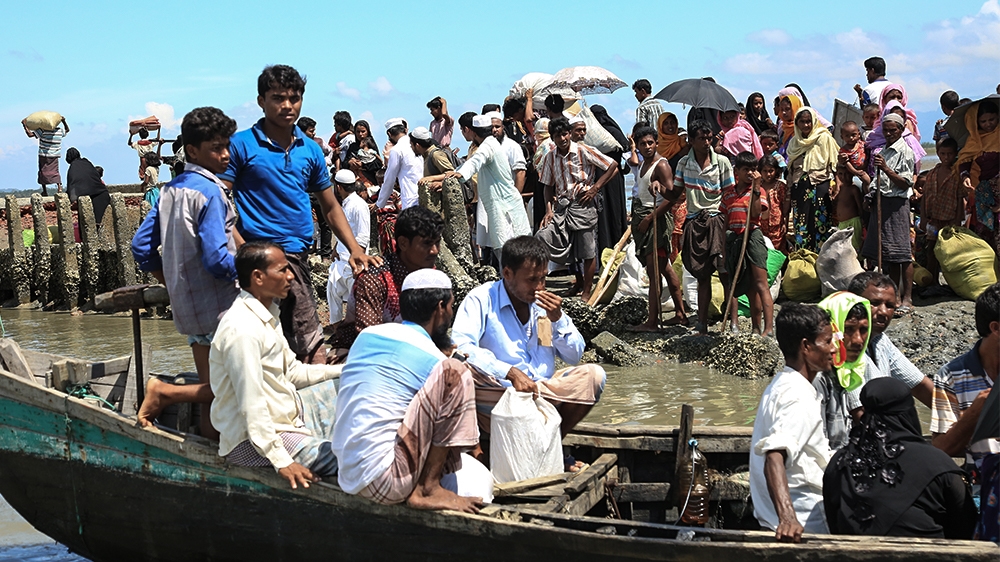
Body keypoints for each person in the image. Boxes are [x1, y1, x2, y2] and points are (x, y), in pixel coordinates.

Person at [219, 65, 378, 365]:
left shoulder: (310, 150)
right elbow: (218, 200)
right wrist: (242, 248)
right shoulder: (241, 145)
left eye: (294, 98)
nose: (287, 105)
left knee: (309, 348)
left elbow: (330, 207)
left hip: (296, 258)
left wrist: (355, 249)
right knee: (255, 348)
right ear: (261, 101)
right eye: (278, 98)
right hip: (255, 261)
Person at [333, 268, 485, 512]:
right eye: (451, 306)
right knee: (457, 373)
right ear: (440, 307)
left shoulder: (367, 335)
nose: (450, 313)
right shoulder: (435, 360)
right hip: (386, 480)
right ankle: (428, 489)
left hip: (347, 472)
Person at [131, 106, 241, 438]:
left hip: (188, 309)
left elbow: (141, 246)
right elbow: (217, 259)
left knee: (212, 390)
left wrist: (171, 282)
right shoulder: (211, 192)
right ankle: (165, 392)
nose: (225, 155)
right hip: (223, 306)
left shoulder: (169, 190)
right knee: (236, 386)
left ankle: (209, 447)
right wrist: (249, 269)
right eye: (216, 148)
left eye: (227, 146)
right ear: (192, 151)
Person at [452, 237, 606, 452]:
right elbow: (461, 347)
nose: (540, 287)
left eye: (543, 278)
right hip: (501, 392)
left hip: (542, 391)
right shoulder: (481, 299)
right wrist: (509, 372)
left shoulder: (544, 307)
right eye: (532, 280)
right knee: (459, 367)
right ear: (507, 273)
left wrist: (558, 319)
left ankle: (550, 448)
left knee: (594, 376)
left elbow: (574, 356)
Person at [210, 242, 342, 488]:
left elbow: (293, 372)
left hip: (284, 416)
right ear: (258, 277)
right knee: (355, 460)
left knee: (345, 384)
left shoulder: (267, 313)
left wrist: (345, 371)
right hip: (253, 440)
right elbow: (251, 404)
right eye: (282, 270)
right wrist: (281, 461)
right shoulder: (242, 330)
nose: (290, 276)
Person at [824, 378, 978, 538]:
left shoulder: (840, 461)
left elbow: (833, 520)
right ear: (908, 411)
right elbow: (966, 524)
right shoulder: (937, 463)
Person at [750, 303, 836, 541]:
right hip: (806, 521)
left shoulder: (782, 383)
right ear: (806, 346)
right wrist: (787, 517)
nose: (833, 348)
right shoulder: (796, 396)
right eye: (827, 341)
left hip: (773, 517)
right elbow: (774, 457)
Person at [329, 206, 442, 354]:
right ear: (403, 243)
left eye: (437, 242)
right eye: (426, 243)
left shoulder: (431, 277)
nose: (435, 251)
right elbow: (371, 340)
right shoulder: (374, 279)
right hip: (360, 353)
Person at [535, 117, 618, 301]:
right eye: (558, 136)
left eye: (564, 134)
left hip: (583, 205)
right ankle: (569, 283)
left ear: (569, 134)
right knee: (543, 237)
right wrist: (548, 210)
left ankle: (586, 291)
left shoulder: (583, 150)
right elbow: (547, 186)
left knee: (587, 250)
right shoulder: (550, 156)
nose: (562, 139)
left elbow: (612, 165)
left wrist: (595, 189)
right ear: (552, 138)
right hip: (562, 207)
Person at [445, 115, 531, 266]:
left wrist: (461, 174)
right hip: (504, 203)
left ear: (473, 132)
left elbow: (475, 161)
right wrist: (446, 177)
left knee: (507, 250)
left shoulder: (487, 146)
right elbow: (466, 165)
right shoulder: (491, 143)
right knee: (512, 249)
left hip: (502, 205)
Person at [675, 119, 734, 334]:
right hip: (694, 221)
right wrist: (658, 187)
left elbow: (729, 194)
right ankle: (701, 322)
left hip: (717, 220)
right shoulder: (683, 164)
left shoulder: (722, 163)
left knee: (725, 271)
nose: (707, 142)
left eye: (709, 138)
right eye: (701, 138)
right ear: (691, 140)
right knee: (702, 274)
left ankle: (733, 321)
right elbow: (675, 192)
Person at [931, 283, 1000, 463]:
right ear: (995, 328)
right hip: (982, 477)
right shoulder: (951, 376)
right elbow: (941, 449)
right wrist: (975, 413)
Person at [628, 126, 687, 331]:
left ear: (656, 143)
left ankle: (652, 322)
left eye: (650, 143)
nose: (647, 147)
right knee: (664, 268)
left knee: (654, 273)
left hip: (656, 221)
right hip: (643, 216)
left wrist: (650, 218)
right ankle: (680, 314)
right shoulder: (643, 164)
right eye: (643, 144)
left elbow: (672, 197)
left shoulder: (661, 165)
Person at [848, 272, 935, 407]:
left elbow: (920, 386)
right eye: (874, 303)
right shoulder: (844, 346)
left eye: (889, 306)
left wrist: (961, 414)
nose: (883, 311)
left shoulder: (880, 340)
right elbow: (858, 410)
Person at [861, 114, 915, 312]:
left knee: (903, 253)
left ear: (901, 130)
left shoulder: (905, 152)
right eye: (886, 130)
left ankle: (908, 298)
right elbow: (878, 180)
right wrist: (870, 196)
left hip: (897, 205)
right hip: (882, 203)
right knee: (889, 254)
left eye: (893, 130)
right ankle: (895, 296)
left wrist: (885, 168)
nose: (889, 133)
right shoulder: (883, 150)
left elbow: (905, 182)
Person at [720, 152, 773, 337]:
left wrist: (757, 188)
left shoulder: (758, 191)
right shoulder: (728, 194)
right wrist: (723, 247)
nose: (750, 173)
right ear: (737, 171)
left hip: (752, 236)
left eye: (753, 169)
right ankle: (736, 324)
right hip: (734, 238)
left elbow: (757, 213)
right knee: (736, 283)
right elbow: (725, 221)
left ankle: (766, 328)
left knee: (759, 284)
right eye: (746, 169)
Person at [814, 292, 872, 450]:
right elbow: (818, 450)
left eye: (864, 330)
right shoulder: (816, 379)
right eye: (849, 329)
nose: (858, 340)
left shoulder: (851, 372)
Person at [787, 107, 839, 252]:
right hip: (799, 189)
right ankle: (804, 259)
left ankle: (821, 258)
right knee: (801, 224)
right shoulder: (794, 142)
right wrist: (788, 193)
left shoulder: (824, 138)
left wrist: (837, 185)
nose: (806, 125)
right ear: (796, 123)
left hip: (820, 186)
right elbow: (791, 170)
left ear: (814, 121)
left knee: (820, 223)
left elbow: (835, 164)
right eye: (802, 122)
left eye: (808, 121)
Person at [327, 170, 370, 326]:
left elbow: (363, 237)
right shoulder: (345, 204)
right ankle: (337, 330)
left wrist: (358, 261)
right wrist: (335, 249)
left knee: (357, 302)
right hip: (341, 260)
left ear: (339, 187)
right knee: (332, 294)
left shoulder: (359, 205)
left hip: (352, 263)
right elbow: (344, 232)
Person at [921, 138, 965, 285]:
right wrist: (923, 218)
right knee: (931, 250)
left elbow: (960, 199)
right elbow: (925, 196)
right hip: (933, 220)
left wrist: (958, 220)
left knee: (950, 252)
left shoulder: (957, 174)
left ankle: (953, 283)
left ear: (955, 154)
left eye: (950, 154)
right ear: (938, 153)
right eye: (943, 154)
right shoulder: (932, 174)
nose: (946, 157)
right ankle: (932, 282)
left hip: (950, 220)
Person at [960, 100, 1000, 259]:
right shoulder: (974, 140)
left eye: (992, 119)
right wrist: (965, 177)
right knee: (985, 234)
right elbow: (965, 161)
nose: (988, 124)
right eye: (983, 121)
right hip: (983, 194)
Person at [589, 105, 629, 253]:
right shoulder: (614, 131)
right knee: (615, 211)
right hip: (615, 176)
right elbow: (625, 150)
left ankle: (605, 246)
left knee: (604, 213)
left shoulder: (594, 134)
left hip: (601, 176)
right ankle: (617, 245)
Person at [654, 112, 690, 258]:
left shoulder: (683, 144)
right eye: (666, 123)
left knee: (681, 229)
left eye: (672, 122)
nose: (670, 126)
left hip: (682, 193)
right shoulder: (656, 146)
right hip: (664, 193)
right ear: (660, 126)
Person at [299, 116, 334, 258]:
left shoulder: (318, 143)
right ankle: (303, 252)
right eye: (311, 131)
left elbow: (330, 152)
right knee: (304, 222)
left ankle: (326, 253)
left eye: (314, 130)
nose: (313, 133)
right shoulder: (293, 145)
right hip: (303, 190)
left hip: (319, 188)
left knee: (325, 221)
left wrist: (326, 162)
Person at [835, 121, 869, 254]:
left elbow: (859, 207)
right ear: (842, 137)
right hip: (856, 172)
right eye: (847, 136)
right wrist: (855, 172)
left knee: (854, 250)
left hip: (863, 173)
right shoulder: (843, 151)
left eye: (854, 135)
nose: (851, 138)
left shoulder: (863, 145)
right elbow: (846, 163)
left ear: (859, 134)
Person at [376, 118, 423, 211]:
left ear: (389, 134)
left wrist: (380, 203)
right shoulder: (418, 144)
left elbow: (389, 178)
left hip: (410, 198)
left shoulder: (397, 150)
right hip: (424, 195)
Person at [22, 115, 69, 196]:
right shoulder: (59, 131)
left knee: (43, 171)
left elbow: (30, 135)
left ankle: (44, 191)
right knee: (55, 171)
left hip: (43, 155)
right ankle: (59, 187)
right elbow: (67, 130)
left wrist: (25, 125)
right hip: (55, 155)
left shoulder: (42, 130)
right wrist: (64, 121)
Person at [64, 148, 111, 226]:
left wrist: (70, 199)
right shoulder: (87, 163)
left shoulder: (73, 168)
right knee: (101, 223)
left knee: (87, 225)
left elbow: (72, 186)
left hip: (87, 198)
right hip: (102, 194)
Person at [759, 155, 789, 252]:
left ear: (776, 171)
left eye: (771, 171)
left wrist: (785, 223)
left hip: (776, 224)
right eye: (765, 171)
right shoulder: (758, 186)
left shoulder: (780, 186)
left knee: (777, 250)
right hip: (760, 224)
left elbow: (785, 206)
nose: (768, 174)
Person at [346, 120, 383, 187]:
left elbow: (378, 164)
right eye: (358, 132)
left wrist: (363, 165)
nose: (360, 134)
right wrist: (350, 162)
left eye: (363, 131)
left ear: (367, 132)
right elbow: (344, 163)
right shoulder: (352, 147)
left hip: (370, 182)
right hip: (355, 183)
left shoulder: (371, 146)